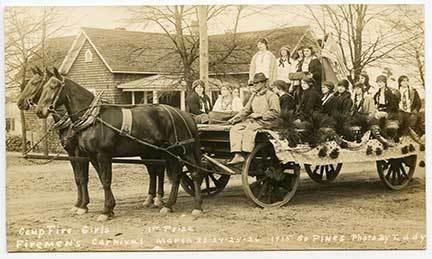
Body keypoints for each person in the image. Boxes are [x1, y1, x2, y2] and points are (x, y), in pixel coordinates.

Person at [227, 73, 281, 164]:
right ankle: (238, 155)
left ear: (264, 83)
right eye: (253, 83)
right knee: (235, 128)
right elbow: (246, 110)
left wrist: (260, 115)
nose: (254, 85)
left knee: (249, 129)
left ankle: (246, 154)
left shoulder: (271, 96)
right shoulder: (254, 95)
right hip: (255, 121)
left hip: (267, 122)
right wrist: (234, 119)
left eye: (257, 83)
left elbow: (276, 113)